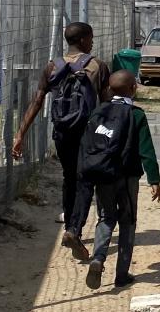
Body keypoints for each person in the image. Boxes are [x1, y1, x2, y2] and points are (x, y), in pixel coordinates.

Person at [13, 21, 110, 262]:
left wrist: (20, 134)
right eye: (91, 38)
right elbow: (107, 105)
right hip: (88, 133)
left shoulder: (52, 67)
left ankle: (69, 225)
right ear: (84, 40)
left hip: (62, 132)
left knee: (69, 178)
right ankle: (74, 230)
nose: (92, 42)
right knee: (85, 179)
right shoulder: (97, 66)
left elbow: (37, 102)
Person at [84, 70, 160, 289]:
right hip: (127, 178)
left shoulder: (99, 111)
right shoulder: (136, 115)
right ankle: (121, 274)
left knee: (105, 217)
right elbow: (146, 150)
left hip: (102, 174)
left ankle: (98, 258)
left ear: (109, 89)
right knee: (127, 222)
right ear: (133, 89)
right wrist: (154, 179)